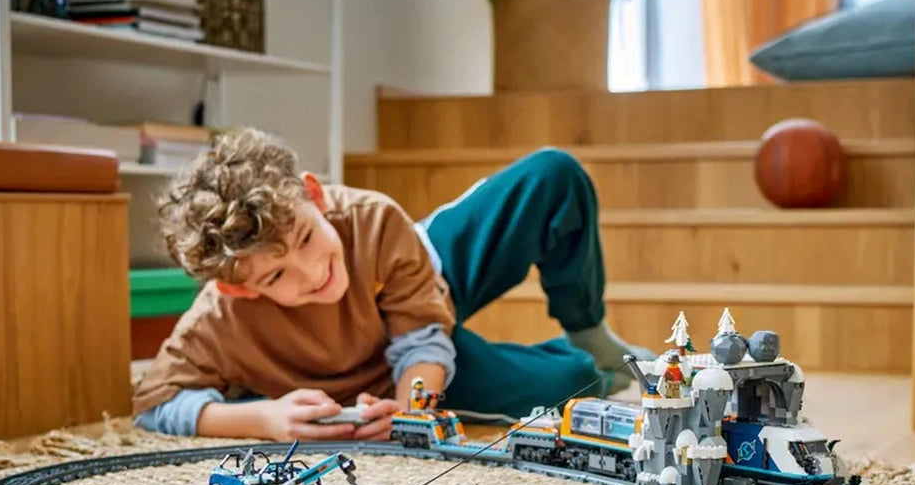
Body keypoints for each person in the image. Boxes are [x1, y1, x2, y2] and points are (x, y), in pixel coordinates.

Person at [132, 128, 652, 442]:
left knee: (553, 175)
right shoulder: (219, 318)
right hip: (381, 374)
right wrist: (264, 419)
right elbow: (153, 404)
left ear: (316, 195)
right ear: (242, 290)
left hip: (421, 288)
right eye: (275, 275)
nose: (313, 273)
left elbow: (423, 339)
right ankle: (587, 361)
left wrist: (410, 412)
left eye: (309, 238)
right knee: (573, 383)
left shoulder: (373, 218)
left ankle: (588, 330)